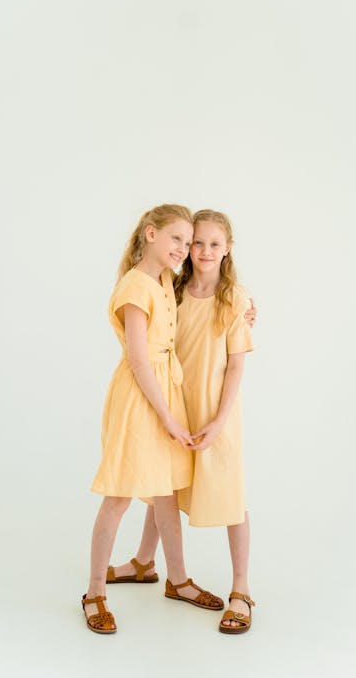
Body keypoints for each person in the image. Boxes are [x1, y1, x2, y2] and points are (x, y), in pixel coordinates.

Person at [108, 209, 256, 634]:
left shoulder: (236, 299)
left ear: (227, 249)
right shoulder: (169, 287)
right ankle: (143, 562)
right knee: (163, 487)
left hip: (216, 413)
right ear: (186, 247)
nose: (204, 250)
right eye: (197, 242)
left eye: (214, 243)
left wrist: (221, 419)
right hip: (173, 406)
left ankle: (241, 589)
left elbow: (234, 368)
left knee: (231, 497)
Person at [82, 204, 224, 635]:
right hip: (142, 397)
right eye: (177, 239)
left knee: (166, 492)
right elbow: (139, 360)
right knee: (120, 495)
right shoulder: (134, 287)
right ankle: (93, 593)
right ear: (150, 234)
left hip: (167, 390)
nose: (184, 248)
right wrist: (166, 417)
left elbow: (207, 293)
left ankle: (174, 578)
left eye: (188, 240)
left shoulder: (165, 279)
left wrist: (246, 308)